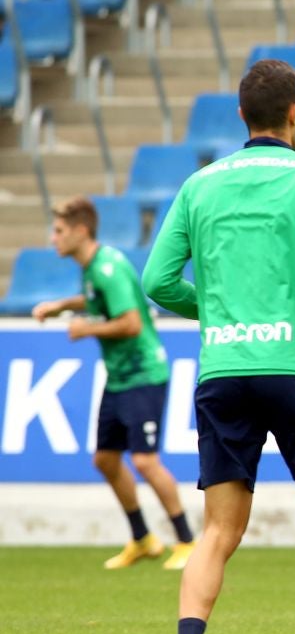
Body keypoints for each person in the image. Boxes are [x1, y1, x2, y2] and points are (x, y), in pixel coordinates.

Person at [143, 59, 295, 634]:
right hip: (294, 366)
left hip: (223, 371)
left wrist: (217, 310)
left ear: (241, 116)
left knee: (218, 530)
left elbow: (157, 280)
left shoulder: (201, 184)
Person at [32, 197, 195, 571]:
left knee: (144, 460)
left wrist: (85, 328)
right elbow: (97, 300)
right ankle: (142, 538)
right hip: (120, 376)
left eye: (58, 231)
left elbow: (131, 323)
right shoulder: (92, 269)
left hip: (142, 373)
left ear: (81, 230)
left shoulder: (106, 267)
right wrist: (61, 306)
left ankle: (187, 539)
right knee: (105, 459)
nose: (52, 238)